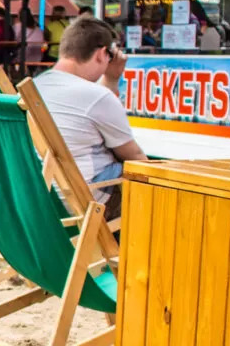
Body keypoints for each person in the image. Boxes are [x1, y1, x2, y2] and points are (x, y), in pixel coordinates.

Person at [32, 18, 145, 210]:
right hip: (84, 203)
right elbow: (135, 157)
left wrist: (109, 79)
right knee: (148, 180)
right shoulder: (98, 97)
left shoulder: (34, 85)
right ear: (102, 54)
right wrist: (111, 78)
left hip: (40, 198)